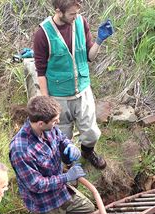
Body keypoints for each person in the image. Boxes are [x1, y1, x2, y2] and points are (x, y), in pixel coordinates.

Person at [9, 95, 95, 214]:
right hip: (44, 204)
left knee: (88, 210)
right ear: (40, 123)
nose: (57, 123)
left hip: (61, 192)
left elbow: (61, 138)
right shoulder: (20, 149)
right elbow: (36, 185)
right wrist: (67, 177)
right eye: (54, 121)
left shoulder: (48, 129)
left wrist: (69, 147)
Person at [33, 0, 114, 169]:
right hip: (58, 96)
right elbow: (41, 71)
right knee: (62, 135)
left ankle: (87, 152)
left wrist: (99, 40)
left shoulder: (80, 22)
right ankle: (67, 165)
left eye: (77, 12)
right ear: (58, 11)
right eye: (71, 14)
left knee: (91, 132)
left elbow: (89, 56)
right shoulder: (43, 34)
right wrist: (47, 102)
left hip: (82, 91)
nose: (75, 17)